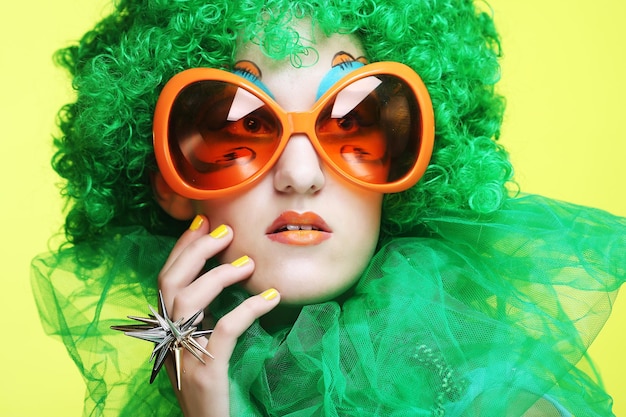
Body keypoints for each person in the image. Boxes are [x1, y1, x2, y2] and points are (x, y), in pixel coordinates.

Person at [31, 0, 625, 416]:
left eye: (353, 123)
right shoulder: (188, 387)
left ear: (410, 157)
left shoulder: (488, 396)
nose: (301, 174)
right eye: (235, 127)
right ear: (169, 179)